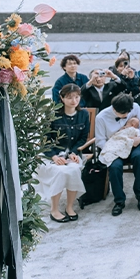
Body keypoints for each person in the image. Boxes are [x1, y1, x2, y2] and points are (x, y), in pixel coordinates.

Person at [40, 84, 88, 223]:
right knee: (59, 172)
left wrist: (74, 153)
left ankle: (69, 207)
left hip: (72, 155)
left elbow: (83, 138)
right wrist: (54, 156)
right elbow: (45, 140)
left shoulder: (83, 114)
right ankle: (54, 209)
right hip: (52, 155)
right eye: (69, 97)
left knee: (74, 169)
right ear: (62, 98)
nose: (74, 100)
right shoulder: (52, 115)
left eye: (77, 97)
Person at [95, 93, 140, 216]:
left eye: (128, 113)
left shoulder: (135, 106)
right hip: (114, 147)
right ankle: (119, 200)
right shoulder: (101, 117)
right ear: (114, 108)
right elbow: (100, 141)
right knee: (115, 167)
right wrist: (115, 147)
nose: (126, 116)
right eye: (123, 114)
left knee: (139, 157)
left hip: (134, 142)